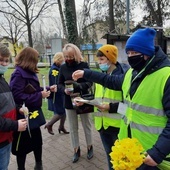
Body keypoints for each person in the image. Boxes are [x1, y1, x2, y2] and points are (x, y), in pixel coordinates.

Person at [72, 28, 170, 170]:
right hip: (130, 149)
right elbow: (110, 81)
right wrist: (86, 73)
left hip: (153, 157)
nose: (130, 57)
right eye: (128, 53)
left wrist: (157, 153)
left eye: (134, 53)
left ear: (147, 53)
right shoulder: (133, 72)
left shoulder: (166, 76)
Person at [74, 44, 129, 170]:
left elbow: (128, 107)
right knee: (110, 158)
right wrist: (85, 101)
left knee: (121, 161)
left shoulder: (122, 77)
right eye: (98, 60)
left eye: (102, 59)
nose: (99, 63)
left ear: (111, 59)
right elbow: (98, 99)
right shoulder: (100, 76)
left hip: (117, 127)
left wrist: (110, 107)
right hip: (102, 126)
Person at [10, 47, 57, 170]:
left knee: (37, 140)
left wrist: (47, 89)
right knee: (22, 145)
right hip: (23, 114)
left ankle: (38, 163)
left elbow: (33, 89)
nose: (37, 62)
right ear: (29, 60)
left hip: (33, 113)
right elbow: (16, 96)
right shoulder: (18, 74)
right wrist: (39, 95)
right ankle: (21, 167)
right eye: (35, 59)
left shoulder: (29, 71)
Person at [58, 43, 93, 163]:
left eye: (71, 56)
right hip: (69, 101)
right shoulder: (62, 67)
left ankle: (89, 146)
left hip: (83, 100)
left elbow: (89, 82)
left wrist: (79, 86)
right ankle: (76, 149)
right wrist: (64, 90)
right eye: (66, 56)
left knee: (86, 125)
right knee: (73, 128)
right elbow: (60, 83)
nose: (68, 59)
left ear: (76, 55)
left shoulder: (83, 65)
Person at [0, 43, 27, 170]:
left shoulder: (2, 80)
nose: (4, 64)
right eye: (0, 60)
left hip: (6, 138)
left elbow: (7, 103)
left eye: (6, 61)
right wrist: (15, 125)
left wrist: (18, 108)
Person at [45, 52, 69, 135]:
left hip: (61, 93)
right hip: (57, 94)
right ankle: (49, 124)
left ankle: (61, 126)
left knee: (64, 111)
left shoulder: (58, 68)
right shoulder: (54, 70)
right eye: (63, 59)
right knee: (60, 112)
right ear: (59, 59)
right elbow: (56, 83)